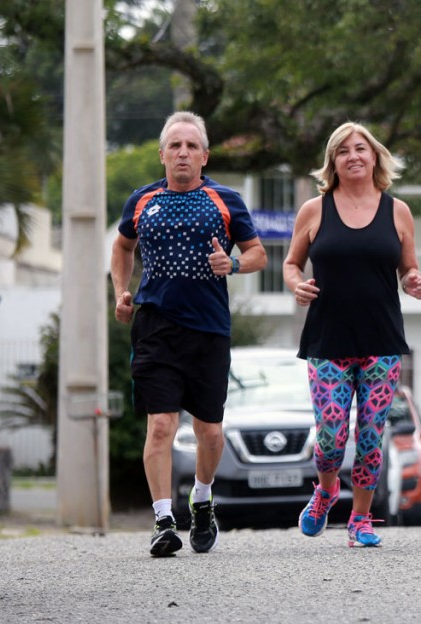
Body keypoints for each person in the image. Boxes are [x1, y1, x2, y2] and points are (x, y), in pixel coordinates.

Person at [111, 111, 267, 557]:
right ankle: (163, 520)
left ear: (204, 156)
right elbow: (122, 246)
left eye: (191, 146)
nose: (182, 153)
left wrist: (232, 263)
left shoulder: (225, 200)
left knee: (210, 432)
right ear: (162, 155)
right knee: (160, 425)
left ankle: (202, 500)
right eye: (174, 146)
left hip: (209, 328)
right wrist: (122, 291)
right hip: (155, 326)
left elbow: (257, 253)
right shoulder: (141, 201)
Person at [283, 121, 421, 548]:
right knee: (330, 436)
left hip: (381, 340)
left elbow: (408, 268)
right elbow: (292, 263)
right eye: (343, 150)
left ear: (374, 156)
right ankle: (326, 491)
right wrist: (296, 284)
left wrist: (415, 281)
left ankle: (360, 519)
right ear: (333, 162)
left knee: (370, 436)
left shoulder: (397, 210)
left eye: (360, 148)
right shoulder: (315, 209)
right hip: (327, 341)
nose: (353, 156)